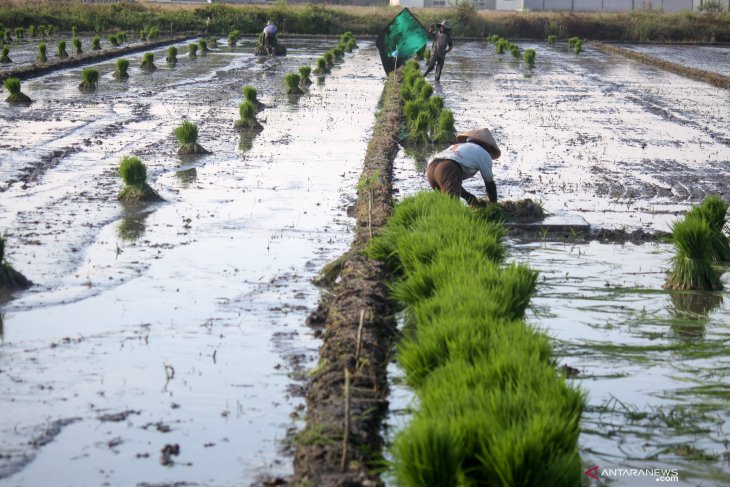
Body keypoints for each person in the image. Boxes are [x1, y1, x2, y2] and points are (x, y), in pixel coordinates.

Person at [426, 128, 500, 206]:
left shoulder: (459, 146)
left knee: (444, 206)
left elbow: (453, 181)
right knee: (452, 208)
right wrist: (494, 204)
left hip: (431, 169)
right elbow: (489, 183)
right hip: (448, 168)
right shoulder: (483, 153)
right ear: (487, 145)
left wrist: (468, 197)